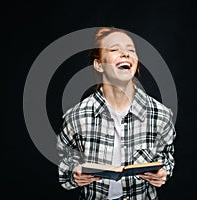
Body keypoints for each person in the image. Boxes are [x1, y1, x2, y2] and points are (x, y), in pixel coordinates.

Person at [56, 27, 176, 200]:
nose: (125, 54)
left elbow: (167, 157)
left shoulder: (161, 115)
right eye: (114, 49)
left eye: (131, 50)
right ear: (99, 65)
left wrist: (164, 172)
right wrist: (74, 174)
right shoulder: (76, 117)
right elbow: (65, 162)